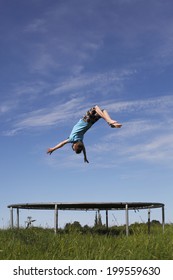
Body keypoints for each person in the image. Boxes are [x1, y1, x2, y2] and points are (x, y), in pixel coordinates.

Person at [47, 105, 122, 163]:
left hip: (90, 123)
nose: (72, 147)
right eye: (73, 148)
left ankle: (111, 123)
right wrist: (53, 149)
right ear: (74, 145)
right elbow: (61, 144)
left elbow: (84, 149)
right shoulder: (72, 139)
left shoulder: (81, 141)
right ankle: (109, 121)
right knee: (95, 108)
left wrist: (85, 157)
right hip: (85, 120)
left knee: (103, 111)